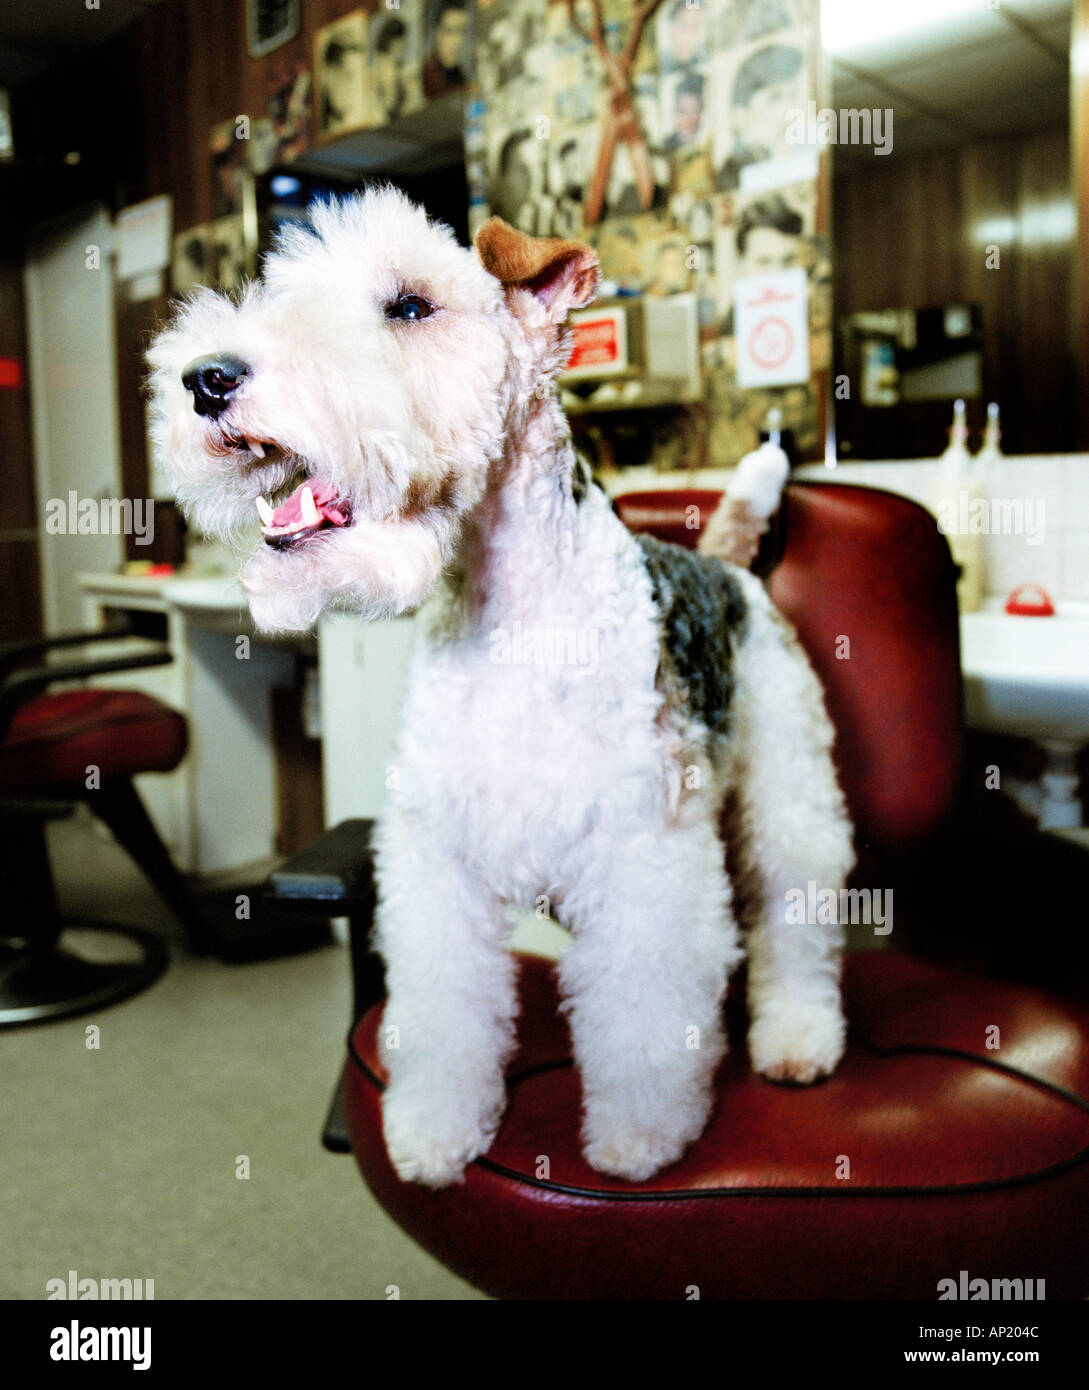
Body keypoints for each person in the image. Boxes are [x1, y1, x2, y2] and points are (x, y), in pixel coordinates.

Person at [424, 0, 469, 98]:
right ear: (437, 32)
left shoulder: (457, 70)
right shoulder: (431, 75)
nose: (457, 40)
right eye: (450, 31)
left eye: (462, 31)